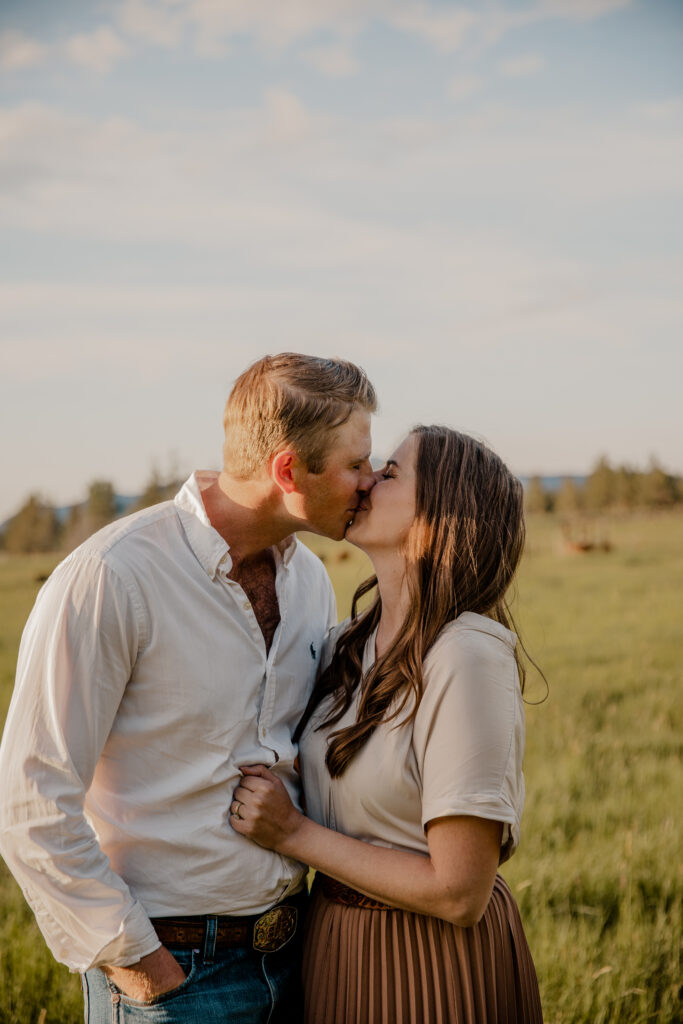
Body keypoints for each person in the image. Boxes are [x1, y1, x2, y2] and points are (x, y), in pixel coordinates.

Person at [0, 353, 377, 1023]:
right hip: (177, 979)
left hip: (300, 958)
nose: (369, 482)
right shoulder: (112, 577)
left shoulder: (309, 580)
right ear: (289, 470)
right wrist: (141, 965)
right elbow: (30, 799)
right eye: (355, 464)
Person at [230, 424, 544, 1024]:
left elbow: (460, 892)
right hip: (335, 951)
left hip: (430, 962)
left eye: (392, 472)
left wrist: (292, 834)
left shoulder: (465, 653)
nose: (368, 479)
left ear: (440, 512)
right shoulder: (347, 644)